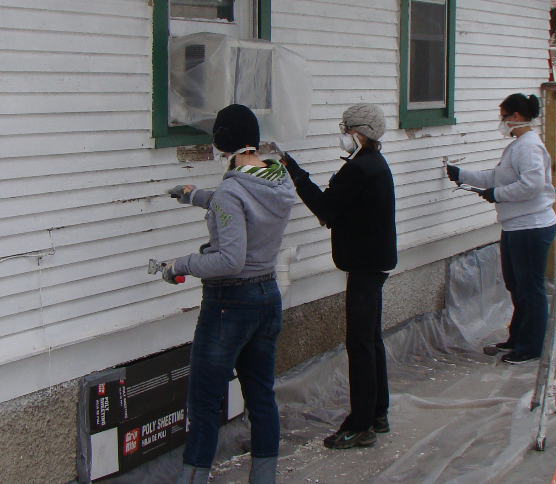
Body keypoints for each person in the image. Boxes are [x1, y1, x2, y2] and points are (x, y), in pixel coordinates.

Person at [163, 104, 296, 484]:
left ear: (224, 144)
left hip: (229, 307)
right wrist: (196, 196)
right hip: (268, 298)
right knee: (261, 397)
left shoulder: (231, 191)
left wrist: (180, 265)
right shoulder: (277, 177)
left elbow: (230, 259)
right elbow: (242, 204)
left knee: (204, 405)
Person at [281, 103, 397, 449]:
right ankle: (378, 412)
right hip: (373, 264)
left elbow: (326, 209)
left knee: (360, 344)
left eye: (346, 130)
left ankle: (360, 424)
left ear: (359, 133)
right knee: (371, 340)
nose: (343, 136)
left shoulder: (360, 169)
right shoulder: (374, 164)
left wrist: (293, 171)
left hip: (364, 267)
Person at [446, 93, 556, 364]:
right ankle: (516, 338)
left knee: (530, 288)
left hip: (531, 226)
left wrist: (498, 194)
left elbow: (533, 186)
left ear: (516, 117)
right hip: (515, 226)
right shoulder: (518, 145)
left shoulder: (529, 146)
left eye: (503, 116)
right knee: (516, 286)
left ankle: (530, 348)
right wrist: (462, 174)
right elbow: (495, 177)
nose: (501, 121)